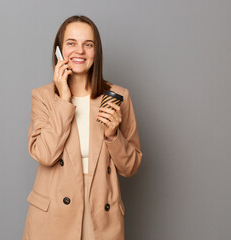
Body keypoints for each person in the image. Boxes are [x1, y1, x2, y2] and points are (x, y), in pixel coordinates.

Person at [22, 15, 143, 240]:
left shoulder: (118, 96)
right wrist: (64, 100)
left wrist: (113, 136)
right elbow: (45, 154)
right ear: (59, 51)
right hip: (54, 216)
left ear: (96, 52)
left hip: (101, 213)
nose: (80, 51)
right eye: (71, 43)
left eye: (88, 44)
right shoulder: (44, 97)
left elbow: (131, 166)